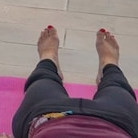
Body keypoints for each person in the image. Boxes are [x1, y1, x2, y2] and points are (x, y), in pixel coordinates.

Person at [10, 26, 138, 138]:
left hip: (47, 116)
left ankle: (48, 59)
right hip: (118, 120)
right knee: (117, 86)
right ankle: (108, 64)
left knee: (41, 82)